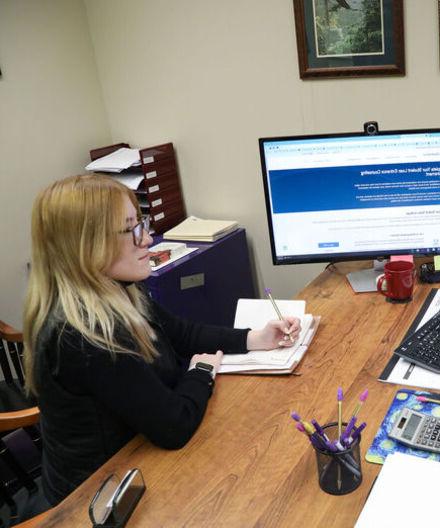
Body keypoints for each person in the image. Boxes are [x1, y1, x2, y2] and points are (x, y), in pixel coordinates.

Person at [22, 174, 302, 506]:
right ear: (87, 246)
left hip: (138, 460)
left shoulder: (118, 288)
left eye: (141, 223)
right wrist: (200, 373)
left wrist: (257, 338)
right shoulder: (85, 335)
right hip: (96, 499)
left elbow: (183, 333)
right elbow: (173, 427)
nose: (148, 239)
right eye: (131, 230)